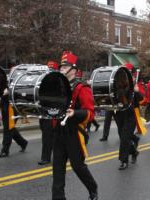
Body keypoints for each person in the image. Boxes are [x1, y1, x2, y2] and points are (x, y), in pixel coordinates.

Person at [52, 51, 98, 200]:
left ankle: (93, 188)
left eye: (65, 67)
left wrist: (75, 113)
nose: (62, 70)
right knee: (57, 169)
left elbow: (90, 113)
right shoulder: (57, 86)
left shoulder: (82, 88)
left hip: (74, 132)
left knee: (78, 167)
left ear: (74, 70)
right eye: (61, 67)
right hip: (59, 131)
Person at [38, 61, 59, 165]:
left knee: (47, 134)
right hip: (44, 110)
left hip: (54, 112)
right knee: (46, 132)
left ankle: (45, 158)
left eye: (52, 69)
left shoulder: (59, 81)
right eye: (49, 69)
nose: (50, 71)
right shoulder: (43, 80)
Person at [0, 88, 28, 158]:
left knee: (8, 129)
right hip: (4, 106)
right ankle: (23, 143)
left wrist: (9, 91)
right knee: (10, 128)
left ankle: (5, 151)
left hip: (12, 107)